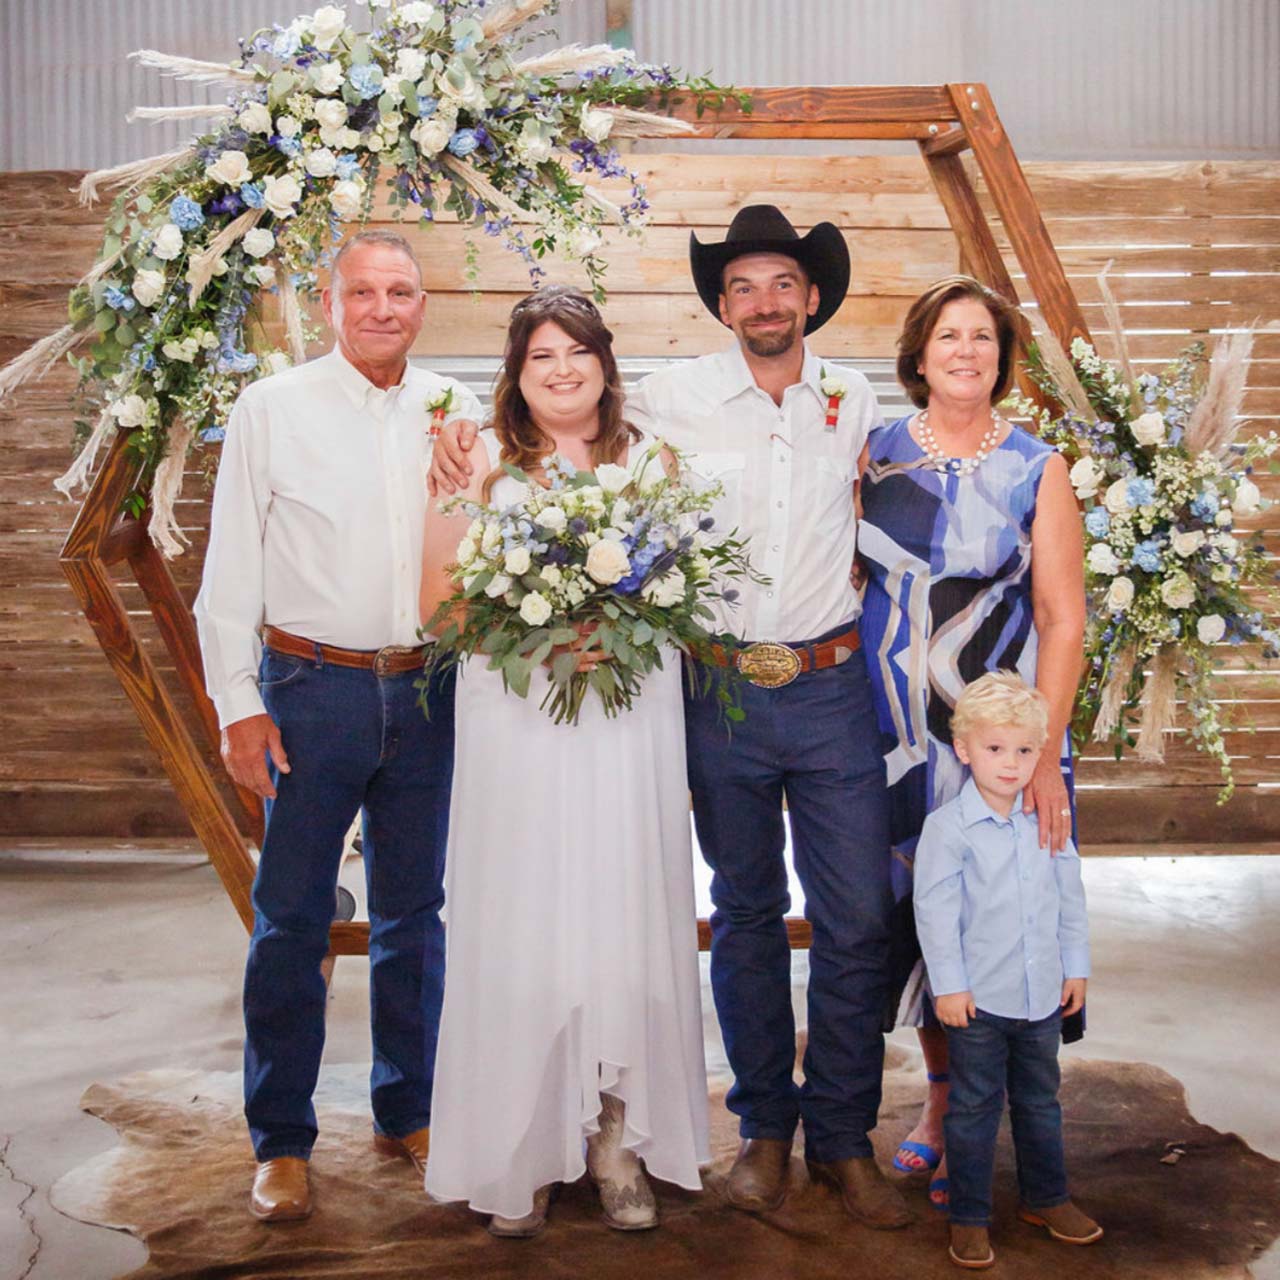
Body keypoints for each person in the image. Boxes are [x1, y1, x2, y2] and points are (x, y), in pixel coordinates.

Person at [430, 206, 911, 1230]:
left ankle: (841, 1135)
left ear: (811, 297)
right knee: (739, 913)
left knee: (856, 918)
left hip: (828, 686)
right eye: (742, 286)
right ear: (721, 304)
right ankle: (764, 1132)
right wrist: (456, 439)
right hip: (718, 689)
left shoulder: (853, 396)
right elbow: (558, 419)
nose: (764, 301)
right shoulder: (671, 404)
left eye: (781, 283)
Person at [193, 229, 482, 1222]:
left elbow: (485, 554)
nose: (382, 307)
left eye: (400, 290)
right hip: (310, 690)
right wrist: (237, 703)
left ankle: (409, 1106)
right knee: (292, 917)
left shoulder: (460, 408)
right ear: (330, 302)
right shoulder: (272, 408)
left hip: (428, 688)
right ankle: (279, 1134)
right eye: (362, 291)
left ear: (422, 303)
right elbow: (228, 569)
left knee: (414, 913)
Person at [421, 285, 709, 1237]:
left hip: (626, 724)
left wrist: (619, 627)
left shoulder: (655, 462)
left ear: (604, 362)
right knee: (526, 922)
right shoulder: (480, 465)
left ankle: (618, 1138)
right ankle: (524, 1144)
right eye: (540, 355)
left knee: (622, 913)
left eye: (576, 351)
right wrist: (540, 641)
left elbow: (685, 594)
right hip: (522, 727)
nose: (560, 369)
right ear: (516, 372)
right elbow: (441, 612)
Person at [857, 274, 1086, 1211]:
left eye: (983, 338)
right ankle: (942, 1099)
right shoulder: (871, 457)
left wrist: (1047, 759)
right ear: (918, 355)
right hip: (890, 740)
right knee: (914, 919)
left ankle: (981, 1108)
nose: (966, 352)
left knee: (995, 913)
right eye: (949, 336)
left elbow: (1062, 618)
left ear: (1002, 357)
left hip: (995, 744)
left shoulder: (1040, 467)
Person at [913, 671, 1100, 1269]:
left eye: (1025, 750)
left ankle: (1046, 1197)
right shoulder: (948, 831)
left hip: (1042, 997)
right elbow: (935, 913)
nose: (1011, 764)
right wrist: (950, 987)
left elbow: (1071, 899)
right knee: (971, 1109)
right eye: (995, 749)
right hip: (979, 1005)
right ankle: (969, 1215)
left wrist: (1076, 968)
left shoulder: (1050, 819)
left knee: (1041, 1101)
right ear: (965, 749)